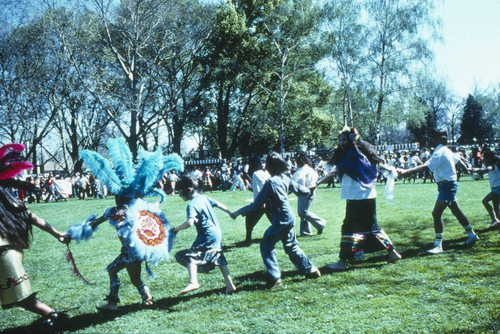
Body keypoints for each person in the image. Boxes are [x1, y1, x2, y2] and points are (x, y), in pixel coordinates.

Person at [69, 138, 183, 311]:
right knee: (115, 271)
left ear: (119, 196)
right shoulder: (138, 209)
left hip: (132, 253)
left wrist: (74, 233)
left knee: (129, 276)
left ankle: (137, 300)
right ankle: (118, 302)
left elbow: (93, 224)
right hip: (134, 251)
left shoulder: (114, 212)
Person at [0, 143, 69, 329]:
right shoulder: (10, 200)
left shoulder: (8, 201)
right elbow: (33, 218)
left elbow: (31, 217)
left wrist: (58, 234)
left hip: (4, 254)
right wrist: (57, 234)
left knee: (23, 297)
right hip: (9, 251)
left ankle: (55, 316)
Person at [231, 152, 321, 288]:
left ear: (270, 166)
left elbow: (257, 204)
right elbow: (303, 190)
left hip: (280, 219)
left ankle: (275, 277)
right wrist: (310, 190)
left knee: (266, 245)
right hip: (289, 217)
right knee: (291, 246)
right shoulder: (285, 178)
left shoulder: (270, 182)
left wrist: (238, 212)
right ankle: (311, 270)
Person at [317, 127, 401, 270]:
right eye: (340, 140)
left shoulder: (351, 155)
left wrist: (316, 183)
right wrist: (389, 170)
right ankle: (392, 253)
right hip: (368, 195)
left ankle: (342, 262)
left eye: (344, 140)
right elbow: (378, 164)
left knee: (349, 227)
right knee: (372, 227)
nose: (341, 143)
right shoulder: (363, 154)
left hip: (356, 197)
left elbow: (334, 171)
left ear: (351, 140)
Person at [398, 130, 479, 254]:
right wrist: (466, 169)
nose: (430, 140)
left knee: (436, 213)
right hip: (447, 186)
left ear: (438, 139)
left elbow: (426, 166)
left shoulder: (440, 152)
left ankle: (438, 245)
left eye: (432, 137)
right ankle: (471, 234)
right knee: (456, 211)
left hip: (447, 186)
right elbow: (458, 160)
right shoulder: (446, 150)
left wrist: (406, 172)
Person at [171, 177, 237, 295]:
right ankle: (230, 285)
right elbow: (218, 204)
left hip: (207, 234)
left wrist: (176, 229)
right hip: (217, 232)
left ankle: (193, 282)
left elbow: (189, 223)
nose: (179, 194)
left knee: (191, 255)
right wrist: (230, 212)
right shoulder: (204, 197)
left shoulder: (191, 205)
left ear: (189, 190)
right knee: (218, 256)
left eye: (180, 191)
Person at [237, 154, 271, 246]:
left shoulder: (256, 174)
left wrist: (261, 202)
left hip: (261, 202)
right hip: (270, 201)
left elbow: (260, 189)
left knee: (249, 220)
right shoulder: (265, 172)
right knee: (275, 222)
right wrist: (250, 186)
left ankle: (248, 241)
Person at [292, 152, 326, 236]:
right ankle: (305, 231)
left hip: (308, 191)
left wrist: (310, 192)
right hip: (304, 192)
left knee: (302, 212)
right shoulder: (304, 169)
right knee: (303, 212)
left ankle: (320, 223)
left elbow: (311, 182)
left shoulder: (305, 170)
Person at [470, 150, 500, 230]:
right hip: (495, 188)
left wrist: (475, 170)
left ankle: (494, 220)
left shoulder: (493, 166)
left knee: (485, 201)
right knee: (496, 208)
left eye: (485, 159)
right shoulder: (495, 165)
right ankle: (497, 224)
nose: (484, 160)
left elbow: (487, 169)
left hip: (497, 189)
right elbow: (485, 172)